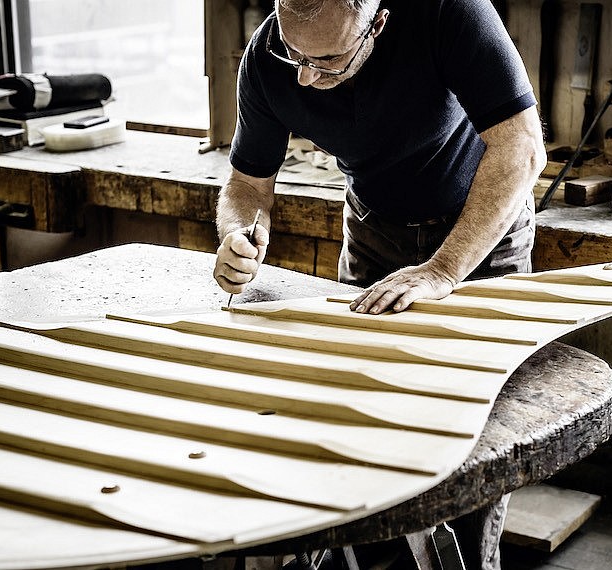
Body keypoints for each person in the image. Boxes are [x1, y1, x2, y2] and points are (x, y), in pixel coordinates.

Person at [213, 0, 545, 567]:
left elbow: (522, 147)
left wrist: (443, 270)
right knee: (358, 410)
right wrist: (239, 235)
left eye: (327, 61)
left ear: (378, 21)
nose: (305, 77)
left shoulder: (450, 13)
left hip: (478, 235)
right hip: (374, 230)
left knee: (474, 437)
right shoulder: (268, 57)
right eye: (294, 54)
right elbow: (247, 185)